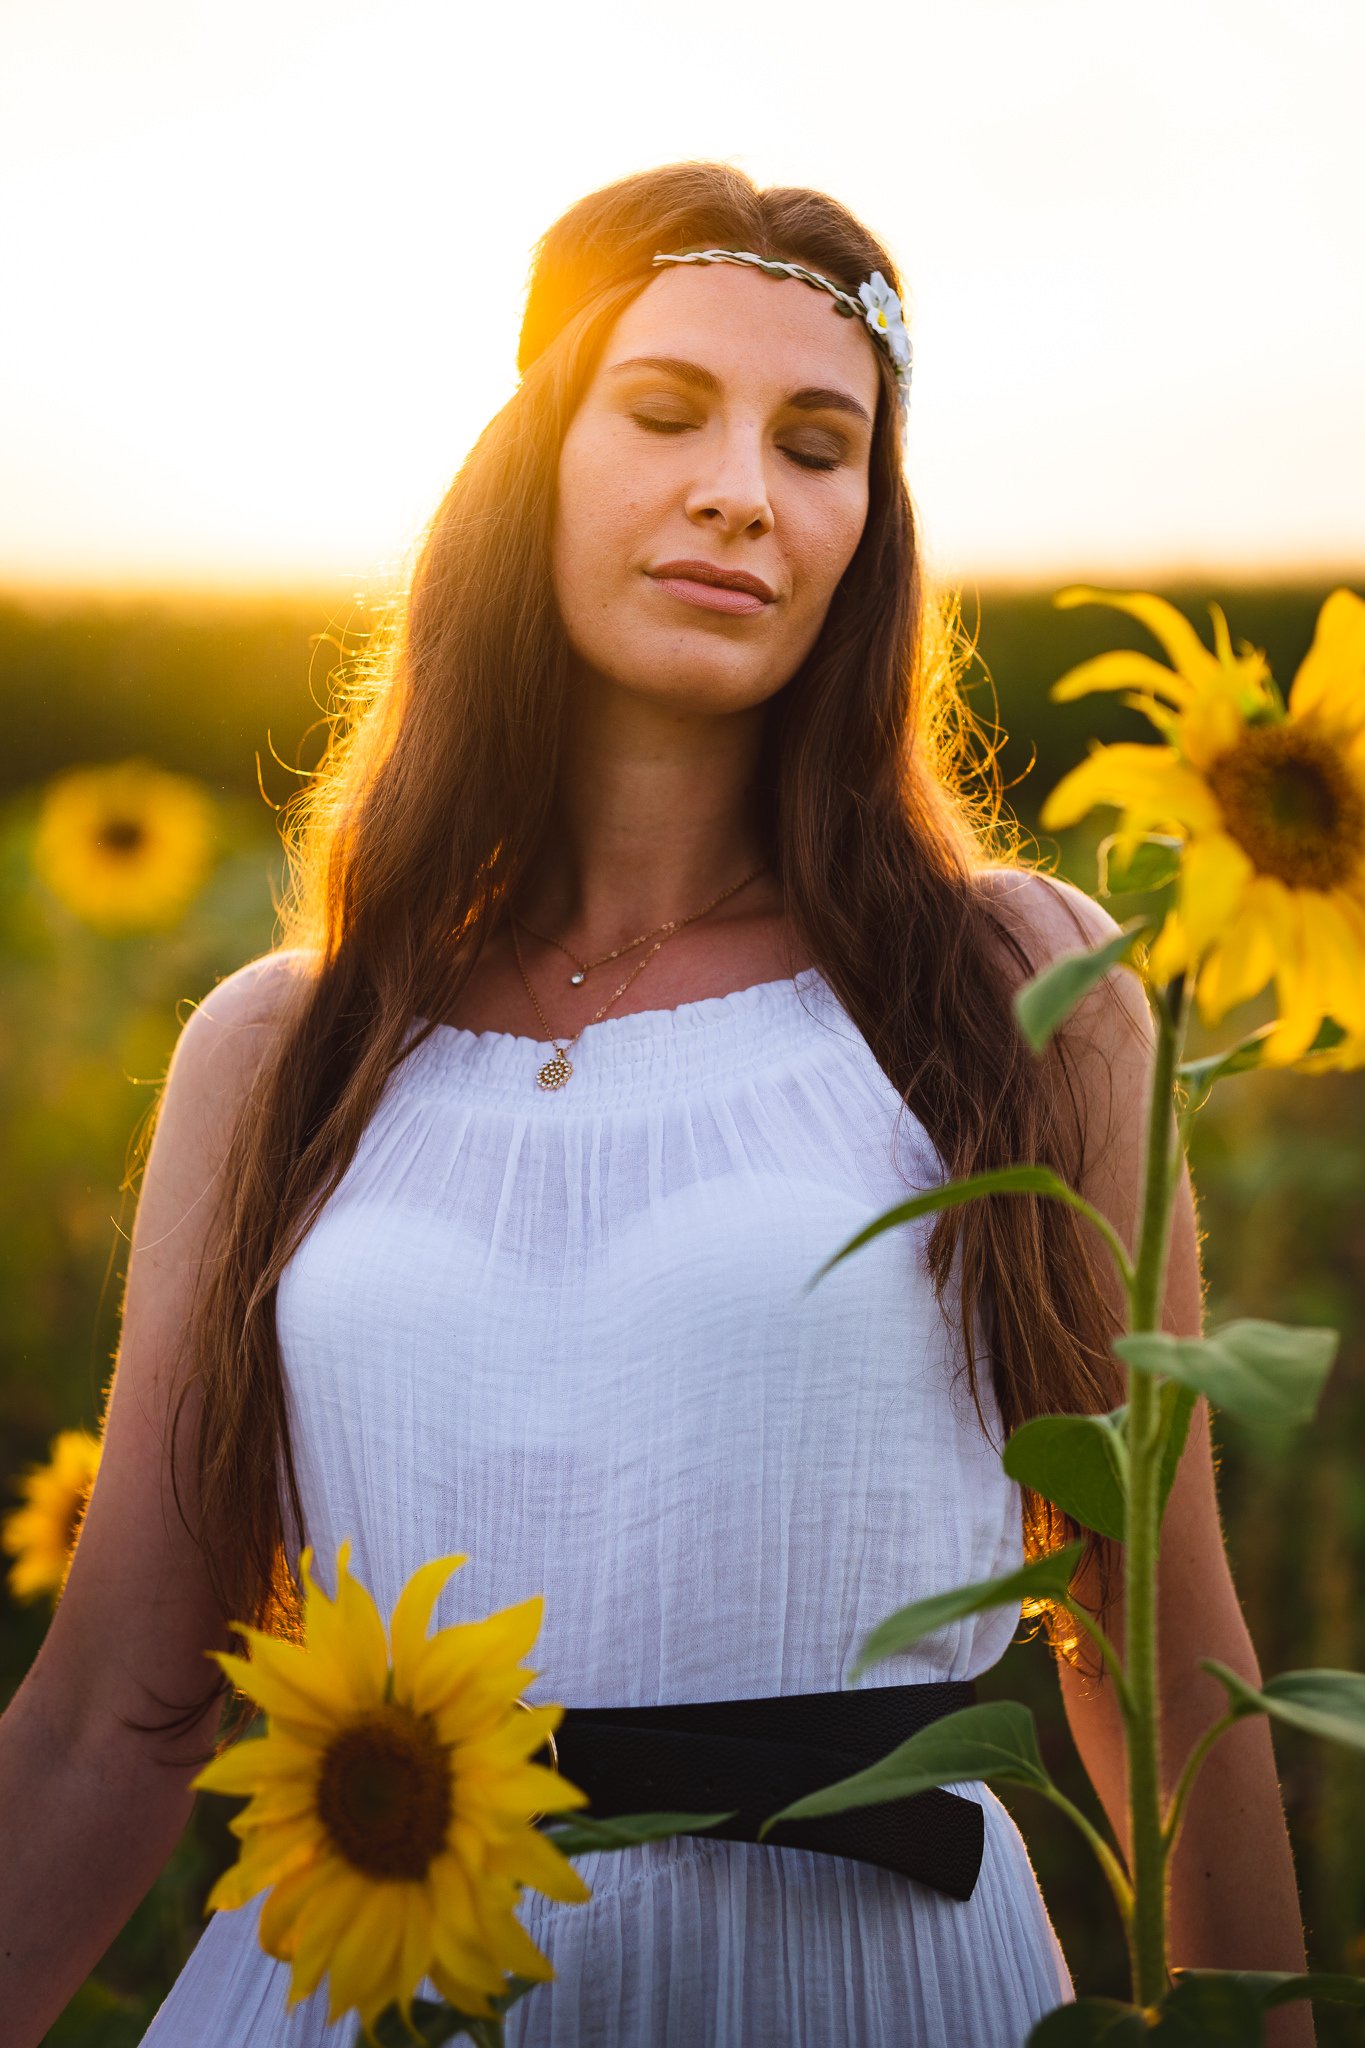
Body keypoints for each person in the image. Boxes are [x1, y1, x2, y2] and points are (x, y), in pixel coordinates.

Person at [0, 161, 1313, 2048]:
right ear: (530, 459)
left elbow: (1162, 1652)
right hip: (354, 1987)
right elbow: (110, 1714)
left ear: (868, 525)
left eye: (817, 444)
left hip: (863, 1990)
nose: (739, 492)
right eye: (666, 411)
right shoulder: (287, 1043)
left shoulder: (1014, 989)